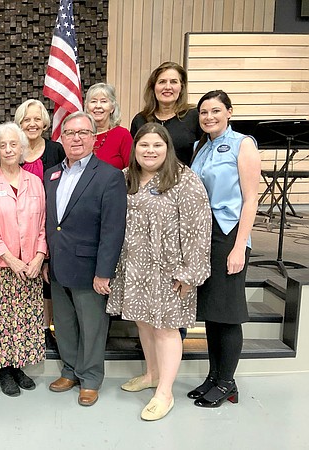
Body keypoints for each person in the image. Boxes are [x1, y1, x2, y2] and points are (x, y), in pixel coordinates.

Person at [106, 123, 211, 421]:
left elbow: (199, 229)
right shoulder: (125, 178)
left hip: (170, 269)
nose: (150, 151)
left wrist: (190, 273)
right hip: (133, 265)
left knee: (166, 327)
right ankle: (151, 373)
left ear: (167, 148)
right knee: (143, 323)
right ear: (134, 149)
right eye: (144, 145)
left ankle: (165, 392)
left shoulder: (184, 180)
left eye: (157, 146)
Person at [43, 111, 127, 407]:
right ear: (61, 138)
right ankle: (69, 370)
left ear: (94, 138)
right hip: (57, 266)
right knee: (64, 324)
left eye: (82, 133)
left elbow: (113, 229)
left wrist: (104, 272)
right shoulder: (50, 174)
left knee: (92, 326)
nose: (76, 138)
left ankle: (90, 378)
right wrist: (45, 261)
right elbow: (49, 222)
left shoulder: (109, 176)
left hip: (91, 268)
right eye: (70, 133)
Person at [189, 90, 261, 408]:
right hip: (207, 236)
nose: (209, 117)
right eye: (203, 112)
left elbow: (251, 199)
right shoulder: (199, 148)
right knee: (213, 314)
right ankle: (214, 375)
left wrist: (238, 247)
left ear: (229, 112)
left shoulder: (243, 144)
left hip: (230, 235)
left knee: (229, 314)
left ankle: (228, 382)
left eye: (215, 111)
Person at [0, 123, 46, 396]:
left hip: (30, 265)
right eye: (3, 145)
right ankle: (4, 371)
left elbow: (44, 223)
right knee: (2, 320)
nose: (8, 149)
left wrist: (40, 256)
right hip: (1, 265)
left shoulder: (36, 182)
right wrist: (11, 259)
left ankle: (19, 366)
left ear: (22, 148)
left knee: (25, 319)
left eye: (13, 144)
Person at [14, 98, 64, 349]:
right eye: (26, 119)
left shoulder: (57, 150)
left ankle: (52, 326)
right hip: (21, 228)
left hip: (52, 223)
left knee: (48, 278)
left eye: (36, 119)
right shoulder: (14, 151)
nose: (32, 124)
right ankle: (37, 327)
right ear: (19, 123)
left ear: (45, 122)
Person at [130, 62, 203, 166]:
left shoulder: (195, 116)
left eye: (173, 82)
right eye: (162, 82)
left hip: (184, 180)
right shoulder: (141, 119)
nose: (168, 87)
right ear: (154, 87)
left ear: (181, 87)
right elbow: (134, 158)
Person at [84, 82, 132, 169]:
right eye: (93, 101)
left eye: (103, 101)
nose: (98, 106)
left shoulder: (122, 135)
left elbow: (132, 170)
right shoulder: (80, 135)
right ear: (87, 107)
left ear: (112, 108)